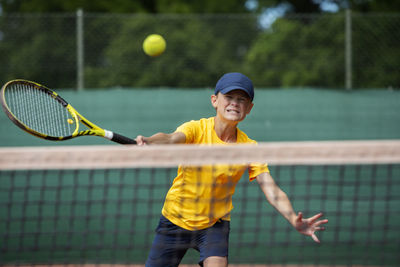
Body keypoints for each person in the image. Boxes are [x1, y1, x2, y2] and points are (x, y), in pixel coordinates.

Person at [136, 72, 328, 267]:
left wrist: (293, 218)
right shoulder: (196, 129)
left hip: (214, 226)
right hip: (174, 220)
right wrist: (149, 141)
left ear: (249, 108)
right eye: (228, 97)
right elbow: (170, 138)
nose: (234, 103)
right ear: (215, 100)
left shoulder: (249, 146)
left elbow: (271, 188)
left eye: (241, 99)